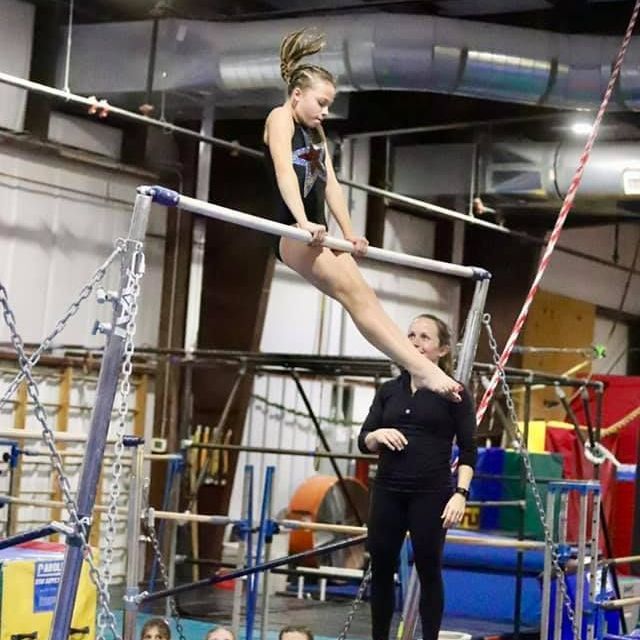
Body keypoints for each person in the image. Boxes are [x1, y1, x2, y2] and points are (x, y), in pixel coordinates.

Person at [263, 28, 461, 402]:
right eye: (321, 103)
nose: (325, 111)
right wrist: (302, 222)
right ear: (297, 94)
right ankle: (421, 369)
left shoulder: (317, 133)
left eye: (329, 105)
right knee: (354, 296)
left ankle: (421, 370)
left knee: (365, 295)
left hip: (316, 233)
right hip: (289, 231)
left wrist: (350, 235)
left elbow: (332, 186)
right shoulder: (280, 118)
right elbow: (283, 171)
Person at [357, 314, 477, 640]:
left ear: (442, 349)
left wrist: (460, 494)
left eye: (425, 337)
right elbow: (363, 438)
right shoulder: (389, 391)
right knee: (381, 569)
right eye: (410, 335)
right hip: (388, 492)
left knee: (428, 570)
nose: (415, 343)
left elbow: (468, 452)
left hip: (431, 494)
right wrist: (378, 434)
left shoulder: (453, 393)